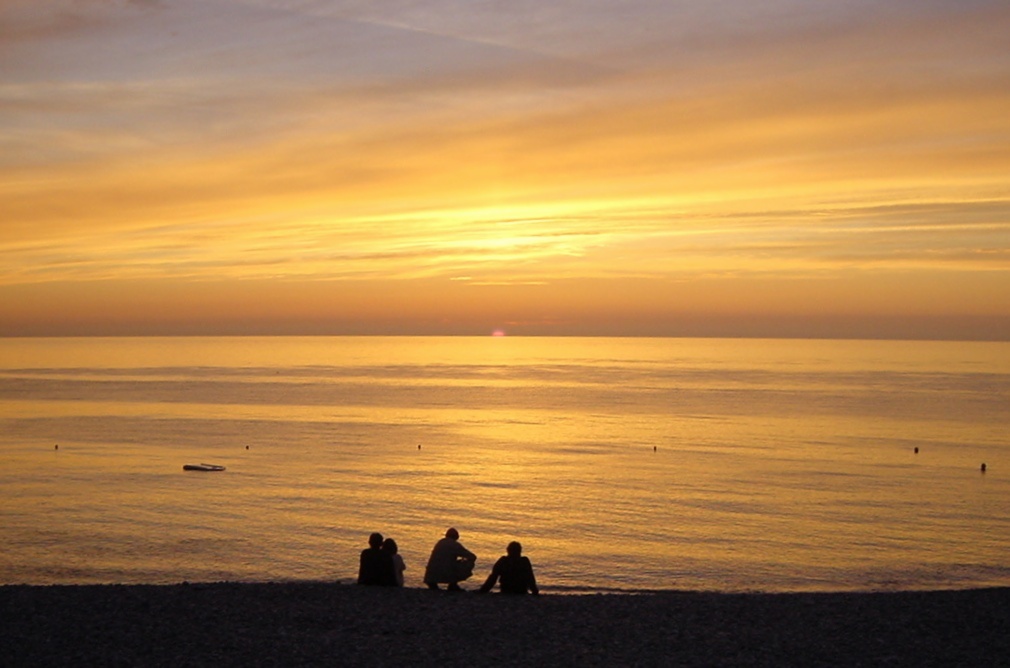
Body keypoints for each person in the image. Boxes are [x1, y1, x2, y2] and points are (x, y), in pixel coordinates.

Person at [423, 527, 476, 591]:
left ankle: (434, 583)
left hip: (431, 574)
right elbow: (472, 556)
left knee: (446, 563)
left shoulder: (440, 542)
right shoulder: (454, 544)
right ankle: (453, 584)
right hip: (445, 570)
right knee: (469, 562)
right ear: (456, 537)